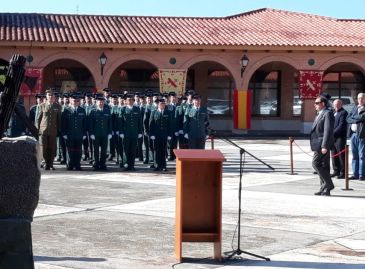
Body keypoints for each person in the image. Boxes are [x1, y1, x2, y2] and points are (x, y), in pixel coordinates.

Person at [310, 95, 335, 196]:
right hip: (318, 143)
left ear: (323, 104)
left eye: (317, 103)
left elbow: (327, 131)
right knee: (323, 166)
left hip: (322, 144)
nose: (315, 105)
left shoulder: (327, 113)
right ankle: (324, 188)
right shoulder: (320, 113)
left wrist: (324, 146)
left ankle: (328, 184)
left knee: (315, 163)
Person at [36, 89, 62, 170]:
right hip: (43, 131)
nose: (51, 97)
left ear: (54, 97)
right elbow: (38, 119)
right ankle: (44, 162)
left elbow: (59, 120)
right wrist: (37, 130)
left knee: (52, 147)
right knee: (43, 147)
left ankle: (50, 163)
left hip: (53, 130)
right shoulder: (41, 106)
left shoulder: (58, 106)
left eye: (52, 95)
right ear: (46, 97)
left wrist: (59, 130)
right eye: (49, 95)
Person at [61, 94, 87, 170]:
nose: (75, 102)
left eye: (77, 101)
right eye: (74, 100)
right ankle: (70, 164)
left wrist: (84, 133)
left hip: (79, 134)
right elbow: (63, 123)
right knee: (70, 150)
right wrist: (64, 133)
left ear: (79, 102)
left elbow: (84, 123)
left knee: (78, 150)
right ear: (71, 101)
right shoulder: (66, 110)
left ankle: (77, 164)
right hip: (70, 134)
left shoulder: (82, 110)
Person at [118, 94, 142, 171]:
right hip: (126, 133)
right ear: (126, 101)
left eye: (132, 100)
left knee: (133, 150)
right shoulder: (123, 109)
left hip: (134, 133)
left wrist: (140, 132)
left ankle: (132, 165)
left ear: (133, 101)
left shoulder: (137, 109)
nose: (130, 101)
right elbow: (120, 122)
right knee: (126, 150)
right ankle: (126, 164)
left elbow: (139, 122)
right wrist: (121, 132)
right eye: (129, 100)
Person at [90, 95, 112, 171]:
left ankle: (102, 164)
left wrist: (109, 133)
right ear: (96, 102)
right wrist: (91, 133)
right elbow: (91, 124)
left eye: (102, 101)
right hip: (96, 134)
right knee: (95, 150)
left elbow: (109, 123)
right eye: (99, 101)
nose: (101, 103)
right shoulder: (93, 111)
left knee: (104, 150)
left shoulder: (107, 111)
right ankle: (96, 164)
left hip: (104, 134)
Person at [149, 98, 172, 171]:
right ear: (158, 105)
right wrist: (151, 134)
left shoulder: (168, 112)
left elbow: (170, 125)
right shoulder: (154, 112)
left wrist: (169, 135)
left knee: (163, 151)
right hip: (156, 135)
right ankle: (157, 165)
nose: (163, 105)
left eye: (164, 104)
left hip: (164, 135)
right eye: (161, 104)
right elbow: (151, 124)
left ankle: (164, 166)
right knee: (157, 150)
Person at [347, 92, 365, 180]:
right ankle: (355, 174)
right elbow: (348, 118)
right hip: (353, 134)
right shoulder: (354, 108)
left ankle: (362, 174)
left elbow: (362, 117)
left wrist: (354, 118)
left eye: (362, 98)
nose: (360, 100)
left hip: (362, 135)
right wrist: (356, 118)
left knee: (362, 155)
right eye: (358, 98)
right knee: (355, 155)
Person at [331, 99, 348, 179]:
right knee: (334, 154)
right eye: (335, 104)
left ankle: (342, 172)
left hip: (340, 137)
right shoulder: (333, 112)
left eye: (338, 104)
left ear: (341, 105)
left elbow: (341, 126)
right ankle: (336, 170)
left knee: (341, 155)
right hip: (332, 138)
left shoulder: (343, 113)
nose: (336, 106)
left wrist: (332, 133)